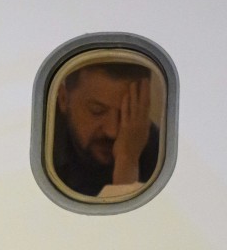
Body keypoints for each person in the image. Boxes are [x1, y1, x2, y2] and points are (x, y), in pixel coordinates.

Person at [52, 62, 160, 197]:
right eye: (97, 111)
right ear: (63, 99)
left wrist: (127, 162)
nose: (112, 131)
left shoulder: (158, 150)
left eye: (126, 113)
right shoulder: (38, 142)